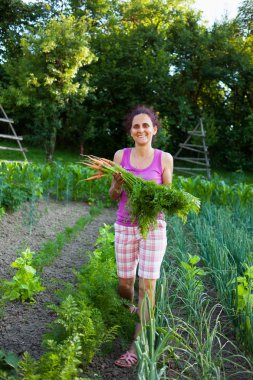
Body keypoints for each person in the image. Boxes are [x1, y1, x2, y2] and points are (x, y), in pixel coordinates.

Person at [109, 105, 173, 368]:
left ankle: (136, 345)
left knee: (147, 287)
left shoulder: (164, 159)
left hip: (153, 228)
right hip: (125, 226)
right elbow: (113, 196)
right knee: (125, 285)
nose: (141, 129)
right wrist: (117, 184)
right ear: (131, 131)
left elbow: (169, 197)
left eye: (146, 125)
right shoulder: (120, 156)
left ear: (154, 129)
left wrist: (153, 198)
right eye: (136, 126)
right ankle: (132, 309)